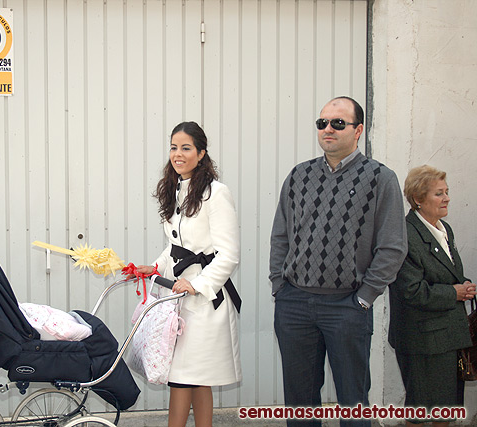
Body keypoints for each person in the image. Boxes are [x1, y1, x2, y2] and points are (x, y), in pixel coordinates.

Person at [269, 96, 408, 426]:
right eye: (322, 123)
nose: (327, 129)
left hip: (347, 307)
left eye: (337, 123)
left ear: (358, 130)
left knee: (353, 403)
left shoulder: (380, 179)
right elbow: (280, 236)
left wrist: (364, 299)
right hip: (294, 305)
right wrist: (280, 287)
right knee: (300, 405)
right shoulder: (298, 176)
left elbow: (393, 248)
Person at [135, 121, 241, 427]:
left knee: (183, 377)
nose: (178, 154)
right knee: (196, 377)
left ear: (201, 153)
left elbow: (229, 254)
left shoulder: (216, 194)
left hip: (206, 302)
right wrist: (155, 267)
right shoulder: (175, 189)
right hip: (177, 296)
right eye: (173, 147)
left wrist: (197, 285)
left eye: (186, 148)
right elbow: (175, 247)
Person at [388, 165, 475, 426]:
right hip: (423, 339)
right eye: (439, 193)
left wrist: (464, 285)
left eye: (446, 192)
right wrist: (454, 293)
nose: (447, 198)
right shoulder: (404, 234)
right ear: (418, 199)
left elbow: (446, 274)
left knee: (444, 409)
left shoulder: (443, 228)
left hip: (446, 336)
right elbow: (410, 290)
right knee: (422, 409)